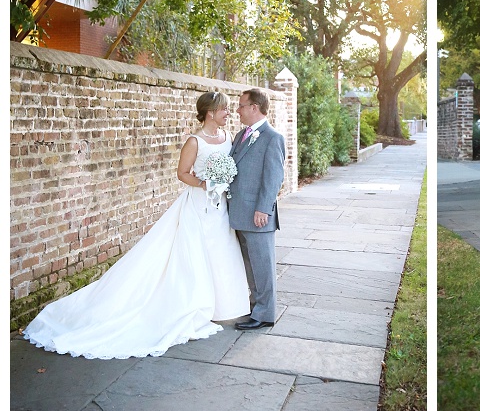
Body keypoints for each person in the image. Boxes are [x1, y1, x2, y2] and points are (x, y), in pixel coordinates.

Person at [23, 91, 250, 359]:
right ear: (210, 112)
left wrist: (223, 181)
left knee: (222, 251)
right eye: (224, 109)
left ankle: (223, 306)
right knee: (195, 256)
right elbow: (182, 173)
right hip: (198, 207)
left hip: (221, 208)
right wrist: (204, 183)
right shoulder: (194, 141)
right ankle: (194, 305)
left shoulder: (229, 137)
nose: (228, 113)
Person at [229, 88, 285, 330]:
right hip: (239, 212)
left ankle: (265, 315)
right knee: (250, 265)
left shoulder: (273, 138)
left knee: (263, 265)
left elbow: (274, 178)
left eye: (241, 105)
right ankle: (255, 308)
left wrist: (264, 209)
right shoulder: (242, 135)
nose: (237, 110)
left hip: (258, 215)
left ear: (254, 107)